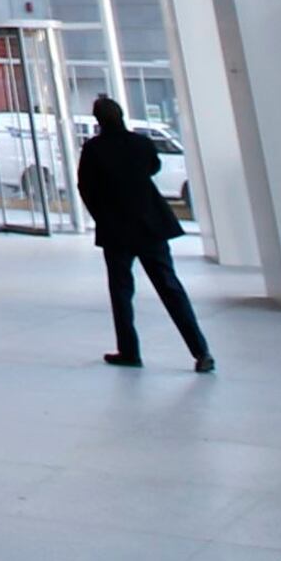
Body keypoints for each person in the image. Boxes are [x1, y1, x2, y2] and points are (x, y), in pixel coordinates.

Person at [81, 95, 212, 373]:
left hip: (116, 229)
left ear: (98, 120)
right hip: (150, 225)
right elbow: (154, 167)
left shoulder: (94, 149)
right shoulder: (140, 144)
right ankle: (200, 350)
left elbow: (86, 188)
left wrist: (102, 216)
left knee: (121, 291)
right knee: (170, 287)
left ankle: (129, 350)